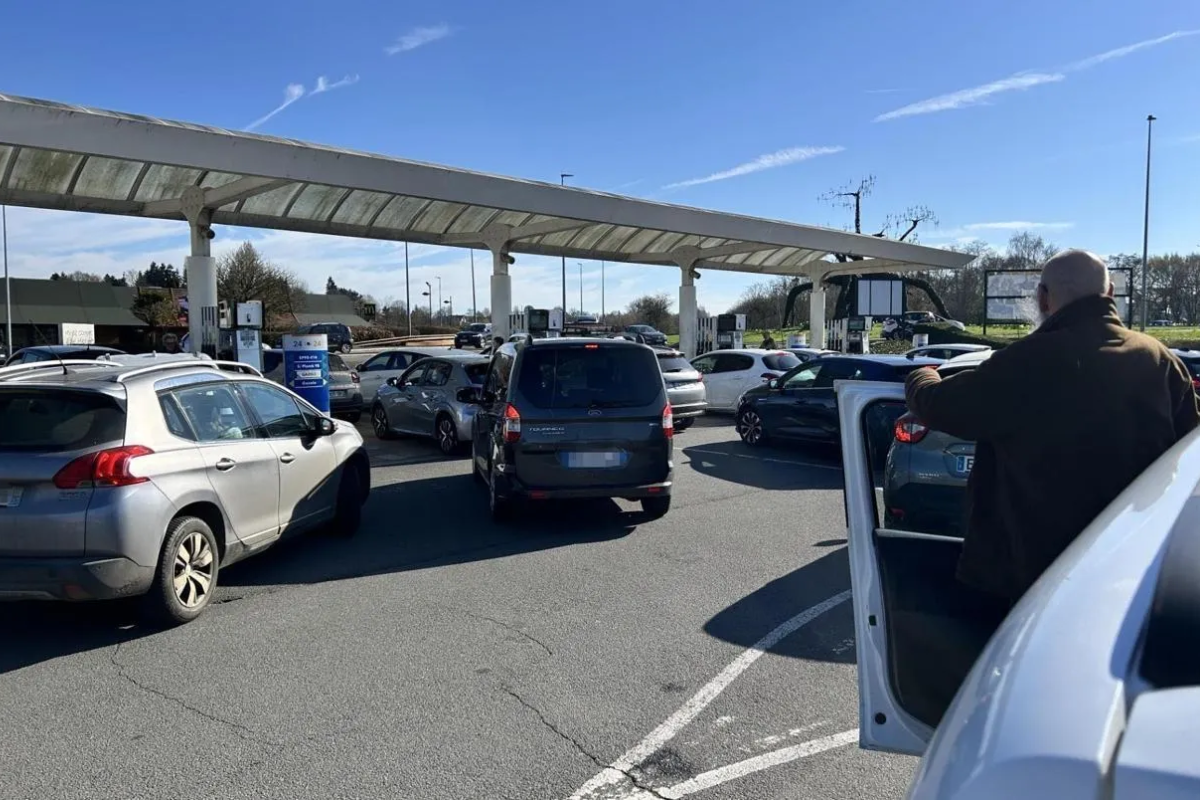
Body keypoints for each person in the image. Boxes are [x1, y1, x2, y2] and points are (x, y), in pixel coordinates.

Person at [906, 249, 1200, 612]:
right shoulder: (1161, 362)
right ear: (1109, 294)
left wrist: (923, 374)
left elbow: (939, 405)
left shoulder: (1026, 361)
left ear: (1044, 297)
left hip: (1032, 581)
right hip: (1130, 573)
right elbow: (1190, 461)